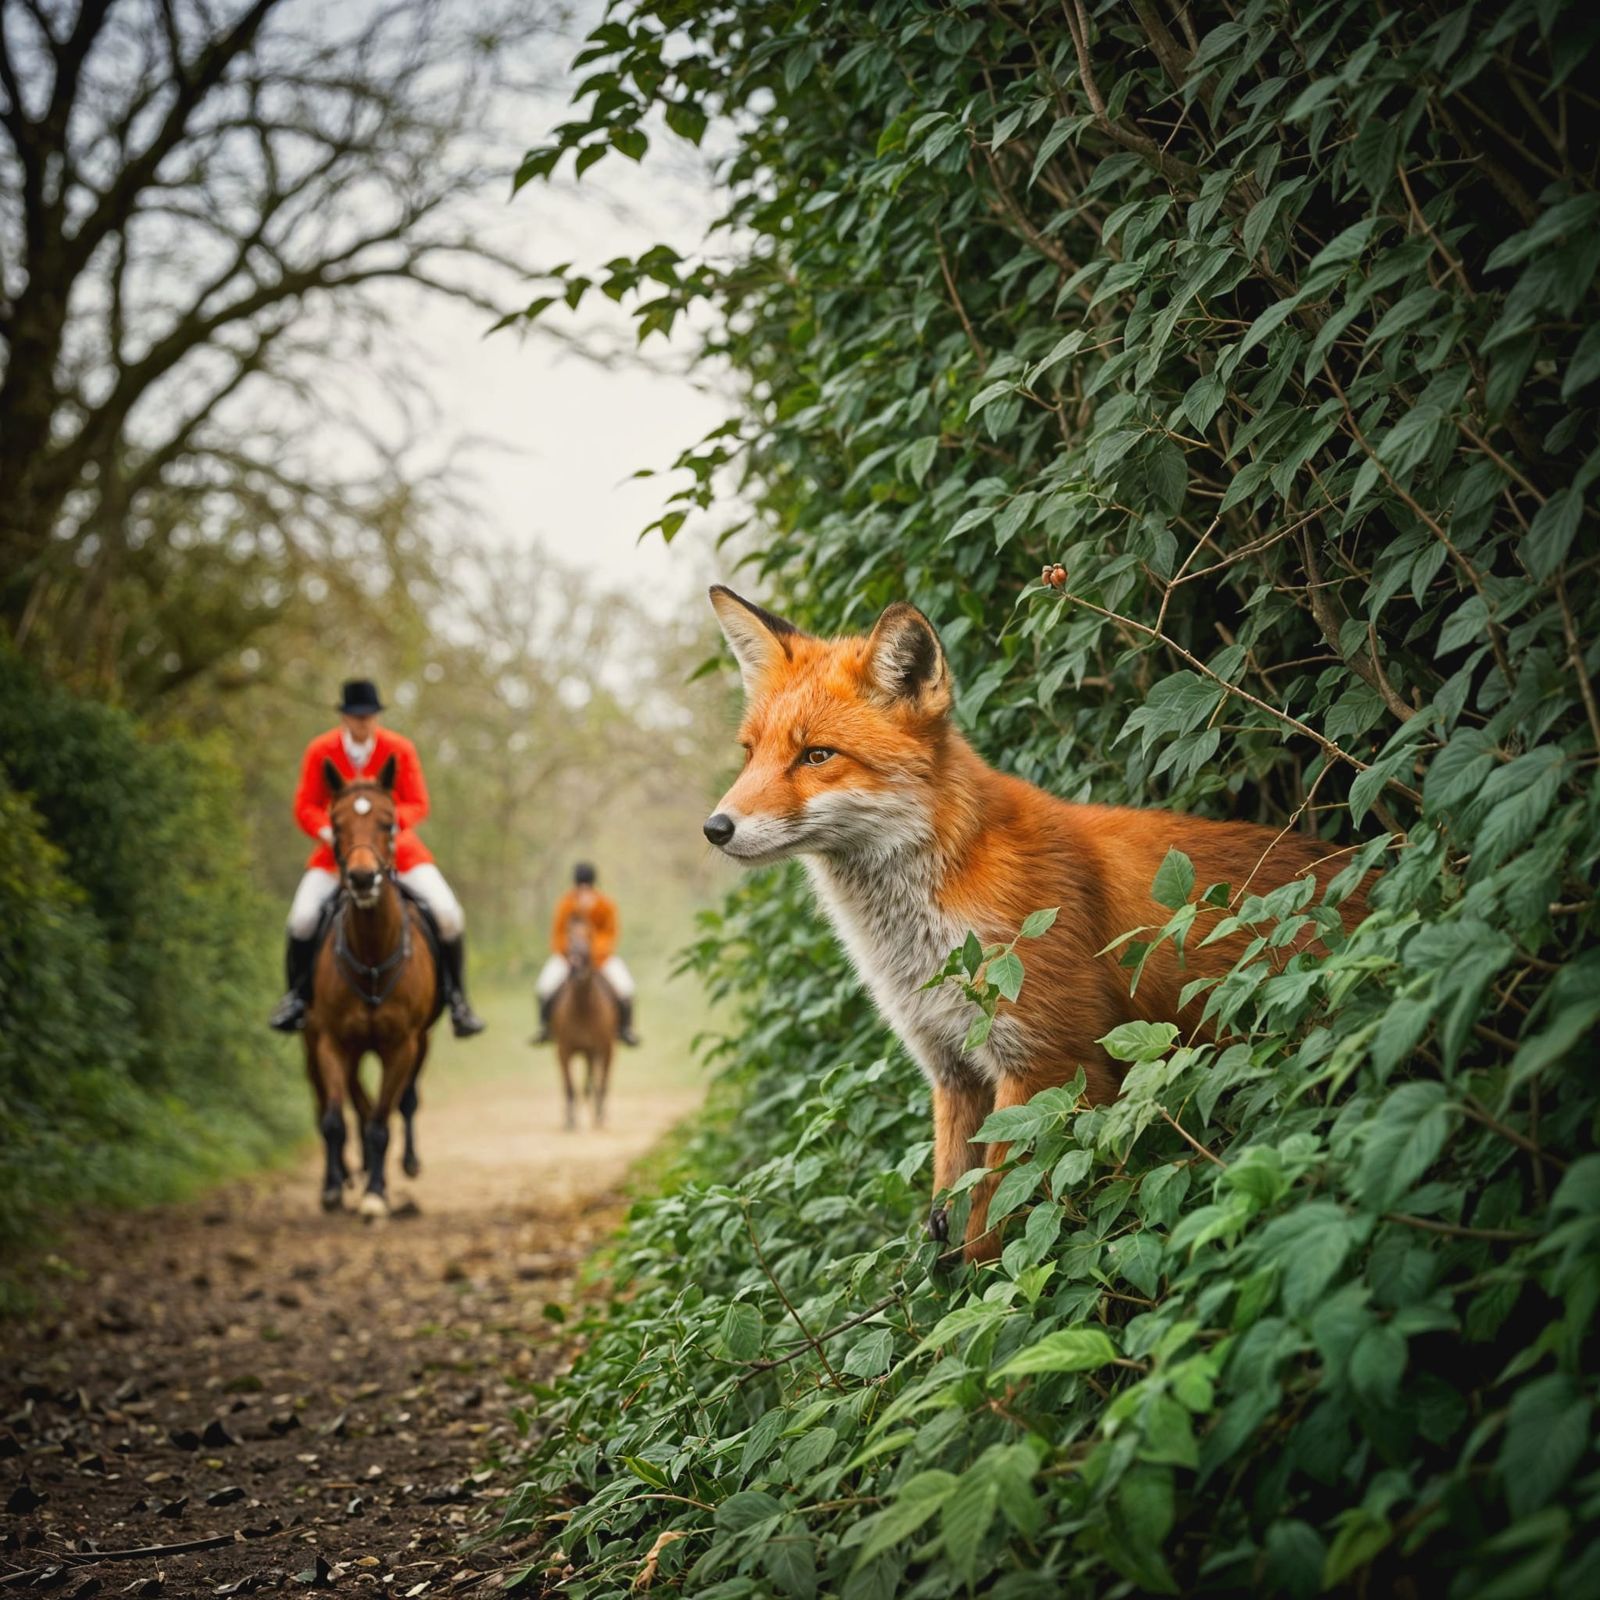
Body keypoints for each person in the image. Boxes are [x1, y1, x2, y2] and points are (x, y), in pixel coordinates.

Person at [268, 678, 486, 1038]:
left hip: (399, 853)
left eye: (368, 716)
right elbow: (305, 805)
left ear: (376, 716)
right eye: (355, 716)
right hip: (334, 857)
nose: (362, 723)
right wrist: (330, 833)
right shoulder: (320, 750)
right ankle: (296, 998)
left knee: (448, 914)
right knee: (302, 918)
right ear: (343, 717)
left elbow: (418, 802)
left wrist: (384, 829)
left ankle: (458, 1001)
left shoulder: (399, 749)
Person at [535, 862, 640, 1046]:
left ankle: (625, 1029)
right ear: (575, 885)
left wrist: (592, 954)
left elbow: (610, 934)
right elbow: (558, 934)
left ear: (593, 885)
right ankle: (546, 1028)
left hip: (601, 959)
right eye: (580, 885)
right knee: (543, 986)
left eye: (587, 885)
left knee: (626, 987)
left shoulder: (605, 905)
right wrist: (569, 954)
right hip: (568, 958)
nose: (584, 889)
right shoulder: (566, 904)